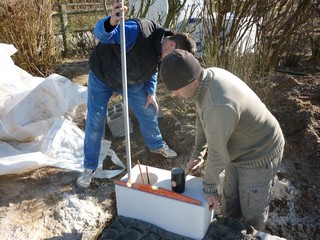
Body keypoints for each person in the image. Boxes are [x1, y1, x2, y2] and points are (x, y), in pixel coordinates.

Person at [159, 49, 285, 231]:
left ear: (191, 81)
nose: (174, 94)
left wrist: (209, 188)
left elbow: (218, 154)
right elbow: (202, 119)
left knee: (252, 212)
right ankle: (229, 229)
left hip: (259, 153)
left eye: (176, 89)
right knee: (230, 202)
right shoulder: (204, 81)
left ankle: (251, 234)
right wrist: (198, 153)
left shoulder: (218, 105)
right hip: (238, 151)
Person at [76, 2, 197, 189]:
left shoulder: (164, 49)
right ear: (172, 44)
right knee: (95, 121)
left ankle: (156, 145)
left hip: (131, 82)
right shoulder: (139, 30)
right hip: (103, 76)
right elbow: (103, 34)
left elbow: (153, 69)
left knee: (148, 109)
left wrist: (151, 91)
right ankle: (89, 167)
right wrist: (111, 22)